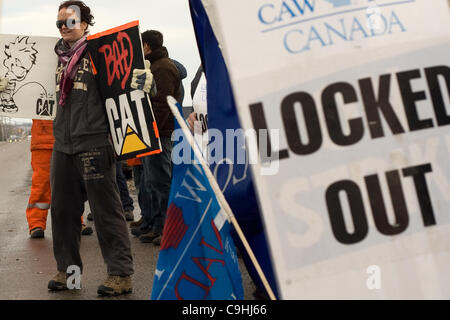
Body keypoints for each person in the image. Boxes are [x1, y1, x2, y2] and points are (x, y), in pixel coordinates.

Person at [48, 1, 151, 296]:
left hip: (94, 142)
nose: (63, 28)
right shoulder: (52, 55)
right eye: (59, 23)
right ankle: (68, 273)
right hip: (62, 144)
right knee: (63, 213)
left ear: (85, 23)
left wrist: (145, 82)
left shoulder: (101, 53)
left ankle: (120, 275)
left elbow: (130, 87)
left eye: (69, 21)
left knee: (106, 212)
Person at [133, 30, 181, 246]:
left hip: (159, 133)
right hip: (153, 133)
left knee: (161, 182)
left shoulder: (162, 67)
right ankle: (154, 225)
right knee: (151, 180)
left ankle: (167, 230)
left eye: (139, 45)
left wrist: (153, 132)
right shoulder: (154, 66)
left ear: (147, 47)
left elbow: (162, 104)